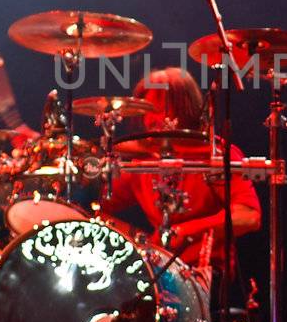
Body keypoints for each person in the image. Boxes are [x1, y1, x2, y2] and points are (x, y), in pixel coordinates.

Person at [103, 66, 261, 277]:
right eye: (145, 111)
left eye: (157, 109)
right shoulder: (145, 161)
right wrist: (138, 239)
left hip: (206, 276)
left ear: (184, 108)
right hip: (158, 273)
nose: (149, 120)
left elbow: (249, 216)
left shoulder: (215, 155)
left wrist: (184, 232)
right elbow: (96, 207)